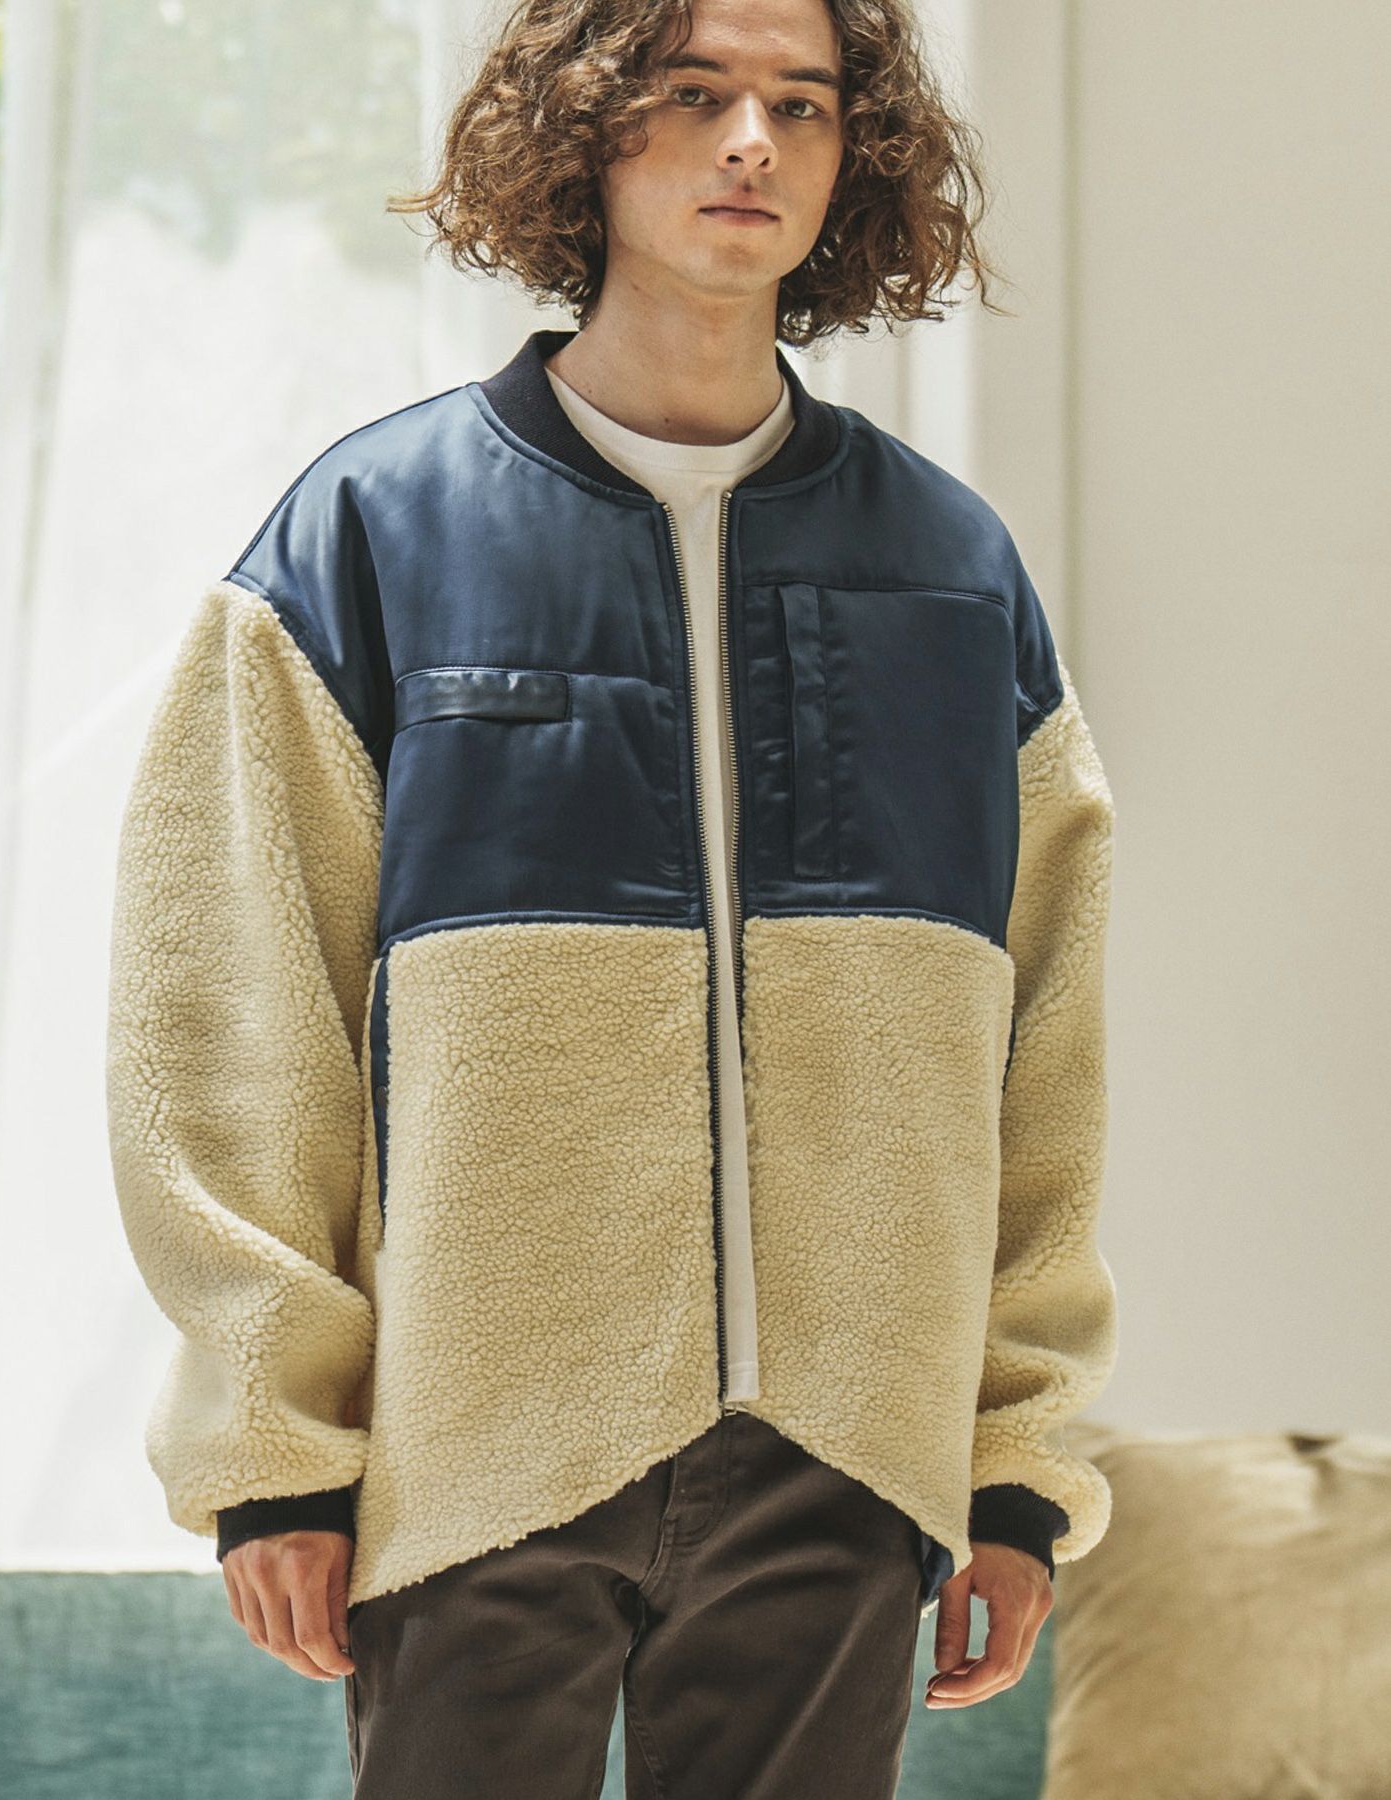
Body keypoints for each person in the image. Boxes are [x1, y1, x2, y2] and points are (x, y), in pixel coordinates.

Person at [105, 0, 1120, 1792]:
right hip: (479, 1446)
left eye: (804, 104)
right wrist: (273, 1448)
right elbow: (233, 1010)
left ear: (858, 156)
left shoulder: (953, 571)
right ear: (584, 126)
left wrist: (1017, 1458)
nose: (753, 143)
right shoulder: (373, 530)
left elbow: (1047, 1041)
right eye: (694, 92)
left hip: (844, 1447)